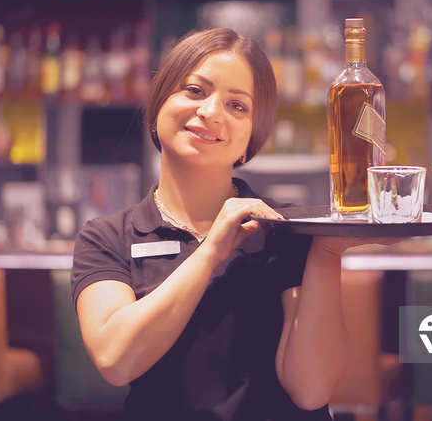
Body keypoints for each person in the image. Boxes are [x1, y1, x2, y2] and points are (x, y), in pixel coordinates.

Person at [72, 27, 386, 420]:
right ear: (159, 104)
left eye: (237, 106)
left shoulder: (285, 230)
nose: (211, 112)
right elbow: (115, 360)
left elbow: (311, 390)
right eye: (195, 91)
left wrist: (326, 250)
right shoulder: (106, 238)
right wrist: (211, 253)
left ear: (252, 137)